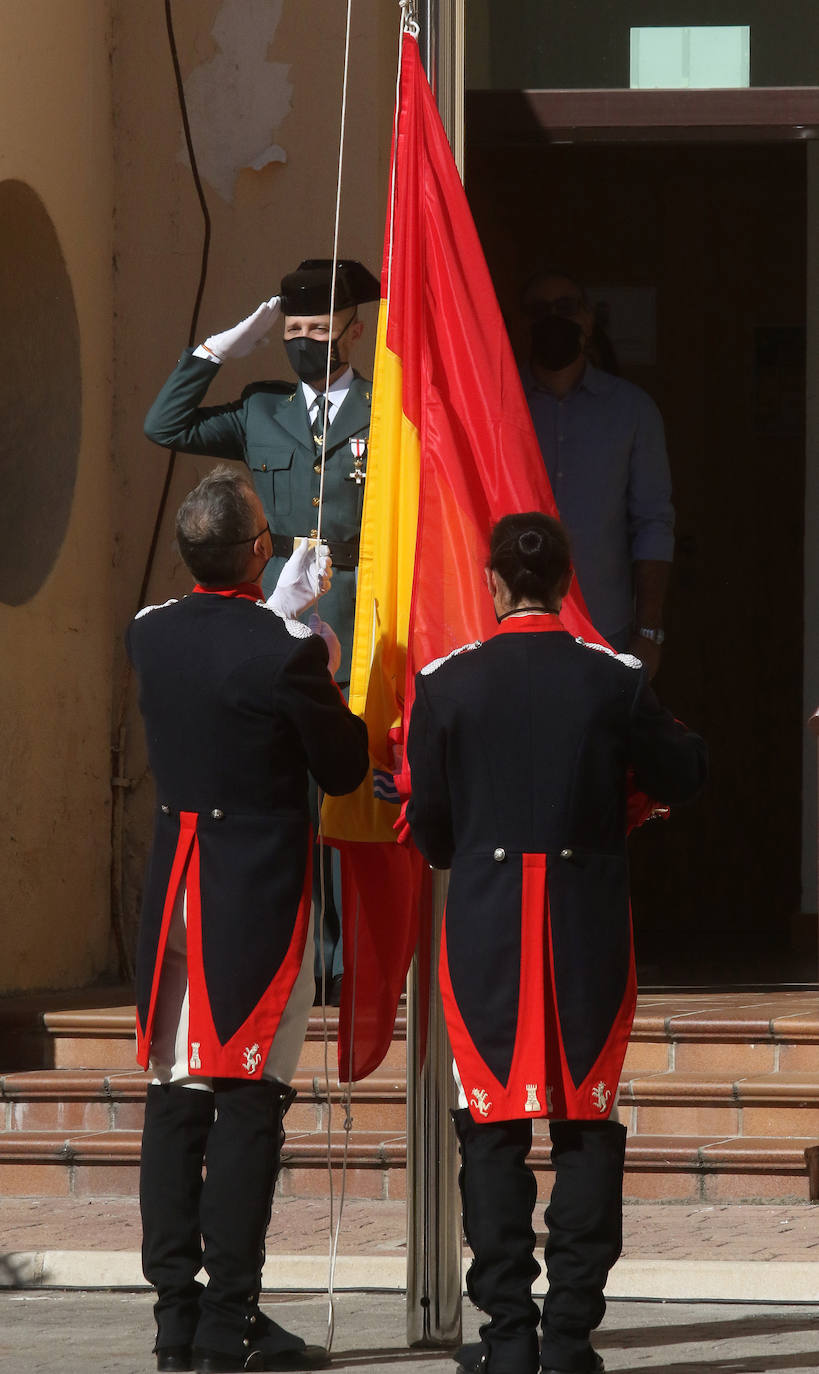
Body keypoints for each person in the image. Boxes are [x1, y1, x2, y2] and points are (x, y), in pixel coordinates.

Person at [406, 512, 706, 1374]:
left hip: (489, 923)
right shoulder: (612, 678)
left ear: (495, 583)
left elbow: (430, 826)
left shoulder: (446, 682)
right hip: (582, 923)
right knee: (584, 1122)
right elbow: (682, 771)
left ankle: (507, 1338)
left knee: (491, 1127)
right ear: (568, 583)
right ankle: (570, 1336)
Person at [127, 466, 369, 1374]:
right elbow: (342, 767)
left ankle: (174, 1318)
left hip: (177, 890)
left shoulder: (147, 633)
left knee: (176, 1098)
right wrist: (312, 647)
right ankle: (228, 1317)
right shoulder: (284, 651)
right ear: (260, 552)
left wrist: (277, 618)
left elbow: (203, 648)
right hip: (255, 892)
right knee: (247, 1103)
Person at [144, 257, 380, 1005]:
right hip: (274, 609)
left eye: (320, 328)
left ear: (354, 328)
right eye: (295, 329)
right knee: (280, 795)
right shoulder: (263, 408)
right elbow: (165, 426)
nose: (306, 341)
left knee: (339, 798)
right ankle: (297, 954)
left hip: (352, 609)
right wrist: (216, 350)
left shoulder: (384, 408)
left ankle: (344, 964)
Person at [519, 271, 674, 675]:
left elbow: (653, 523)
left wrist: (649, 632)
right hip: (510, 629)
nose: (553, 320)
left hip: (604, 632)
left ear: (588, 320)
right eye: (539, 311)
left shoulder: (632, 411)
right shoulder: (497, 406)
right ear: (523, 324)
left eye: (566, 308)